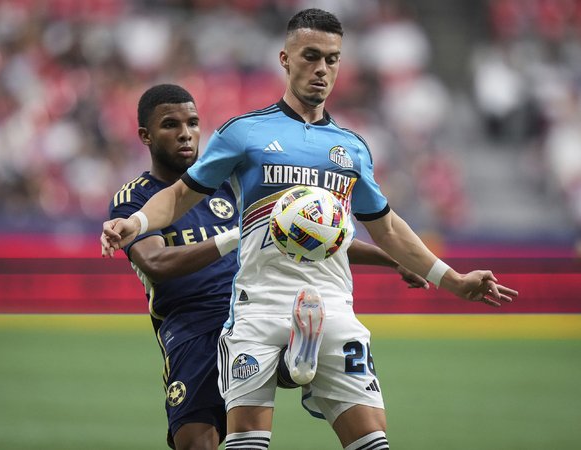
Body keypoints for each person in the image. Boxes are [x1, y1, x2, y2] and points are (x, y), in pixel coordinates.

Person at [102, 9, 518, 450]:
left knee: (373, 444)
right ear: (285, 59)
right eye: (311, 56)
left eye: (333, 59)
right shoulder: (244, 134)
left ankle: (299, 362)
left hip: (332, 306)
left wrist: (453, 280)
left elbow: (387, 227)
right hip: (257, 307)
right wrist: (138, 221)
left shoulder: (352, 148)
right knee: (240, 442)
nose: (322, 69)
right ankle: (293, 365)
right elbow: (179, 195)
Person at [107, 83, 429, 450]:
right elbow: (155, 263)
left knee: (255, 382)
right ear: (145, 136)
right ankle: (292, 364)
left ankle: (291, 362)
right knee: (197, 444)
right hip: (191, 327)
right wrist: (234, 236)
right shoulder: (136, 199)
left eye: (193, 123)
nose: (185, 133)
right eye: (170, 125)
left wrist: (393, 260)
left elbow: (308, 233)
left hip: (251, 311)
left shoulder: (228, 184)